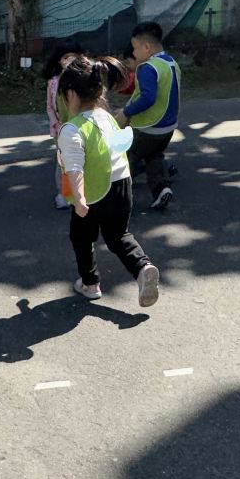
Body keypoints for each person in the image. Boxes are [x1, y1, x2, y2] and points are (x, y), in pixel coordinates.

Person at [57, 54, 160, 307]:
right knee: (118, 235)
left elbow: (75, 168)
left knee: (81, 237)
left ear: (71, 94)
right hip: (122, 185)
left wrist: (79, 198)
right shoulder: (107, 118)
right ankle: (142, 268)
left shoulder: (72, 129)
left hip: (93, 191)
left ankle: (90, 284)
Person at [115, 22, 181, 211]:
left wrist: (126, 112)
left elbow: (147, 98)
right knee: (154, 157)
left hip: (147, 127)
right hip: (168, 127)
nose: (134, 53)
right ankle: (162, 189)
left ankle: (119, 198)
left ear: (146, 47)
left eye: (135, 48)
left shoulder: (147, 68)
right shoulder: (171, 63)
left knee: (128, 157)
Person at [44, 40, 84, 210]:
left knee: (81, 161)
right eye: (66, 57)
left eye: (73, 57)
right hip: (60, 130)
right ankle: (63, 194)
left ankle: (81, 193)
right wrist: (55, 123)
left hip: (80, 128)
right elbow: (49, 106)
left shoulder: (83, 79)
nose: (69, 61)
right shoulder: (53, 82)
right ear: (59, 60)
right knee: (62, 164)